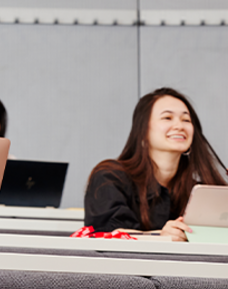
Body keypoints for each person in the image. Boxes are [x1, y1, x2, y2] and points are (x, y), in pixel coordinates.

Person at [84, 88, 228, 241]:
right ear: (143, 131)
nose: (179, 126)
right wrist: (161, 237)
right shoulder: (109, 177)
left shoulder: (200, 191)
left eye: (186, 120)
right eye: (167, 118)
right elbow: (105, 237)